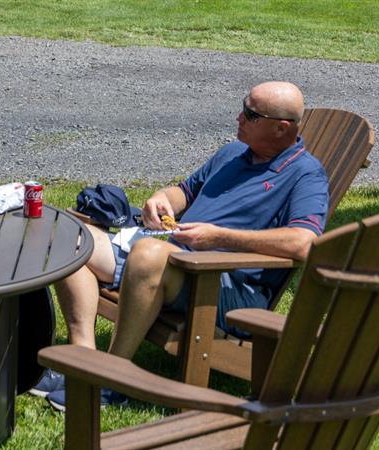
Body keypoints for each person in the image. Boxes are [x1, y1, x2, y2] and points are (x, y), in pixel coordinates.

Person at [31, 81, 329, 411]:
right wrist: (161, 199)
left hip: (222, 283)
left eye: (250, 114)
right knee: (70, 237)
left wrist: (218, 237)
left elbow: (304, 243)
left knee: (149, 254)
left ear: (280, 128)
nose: (239, 117)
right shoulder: (233, 153)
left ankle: (112, 380)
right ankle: (83, 363)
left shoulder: (306, 175)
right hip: (172, 259)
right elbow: (184, 192)